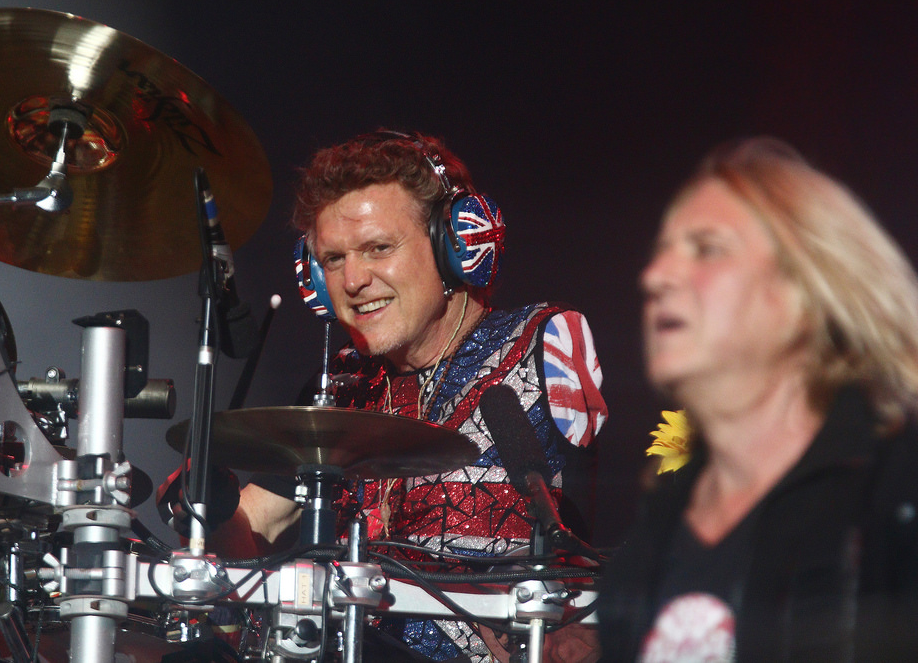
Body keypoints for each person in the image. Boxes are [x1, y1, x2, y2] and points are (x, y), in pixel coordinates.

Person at [163, 130, 608, 662]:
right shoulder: (341, 384)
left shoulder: (543, 342)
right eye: (333, 259)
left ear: (455, 245)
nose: (353, 280)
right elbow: (252, 528)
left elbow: (594, 537)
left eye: (379, 248)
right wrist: (210, 506)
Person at [596, 137, 918, 662]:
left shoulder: (895, 497)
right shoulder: (653, 538)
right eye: (661, 252)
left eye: (707, 249)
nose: (654, 276)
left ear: (804, 294)